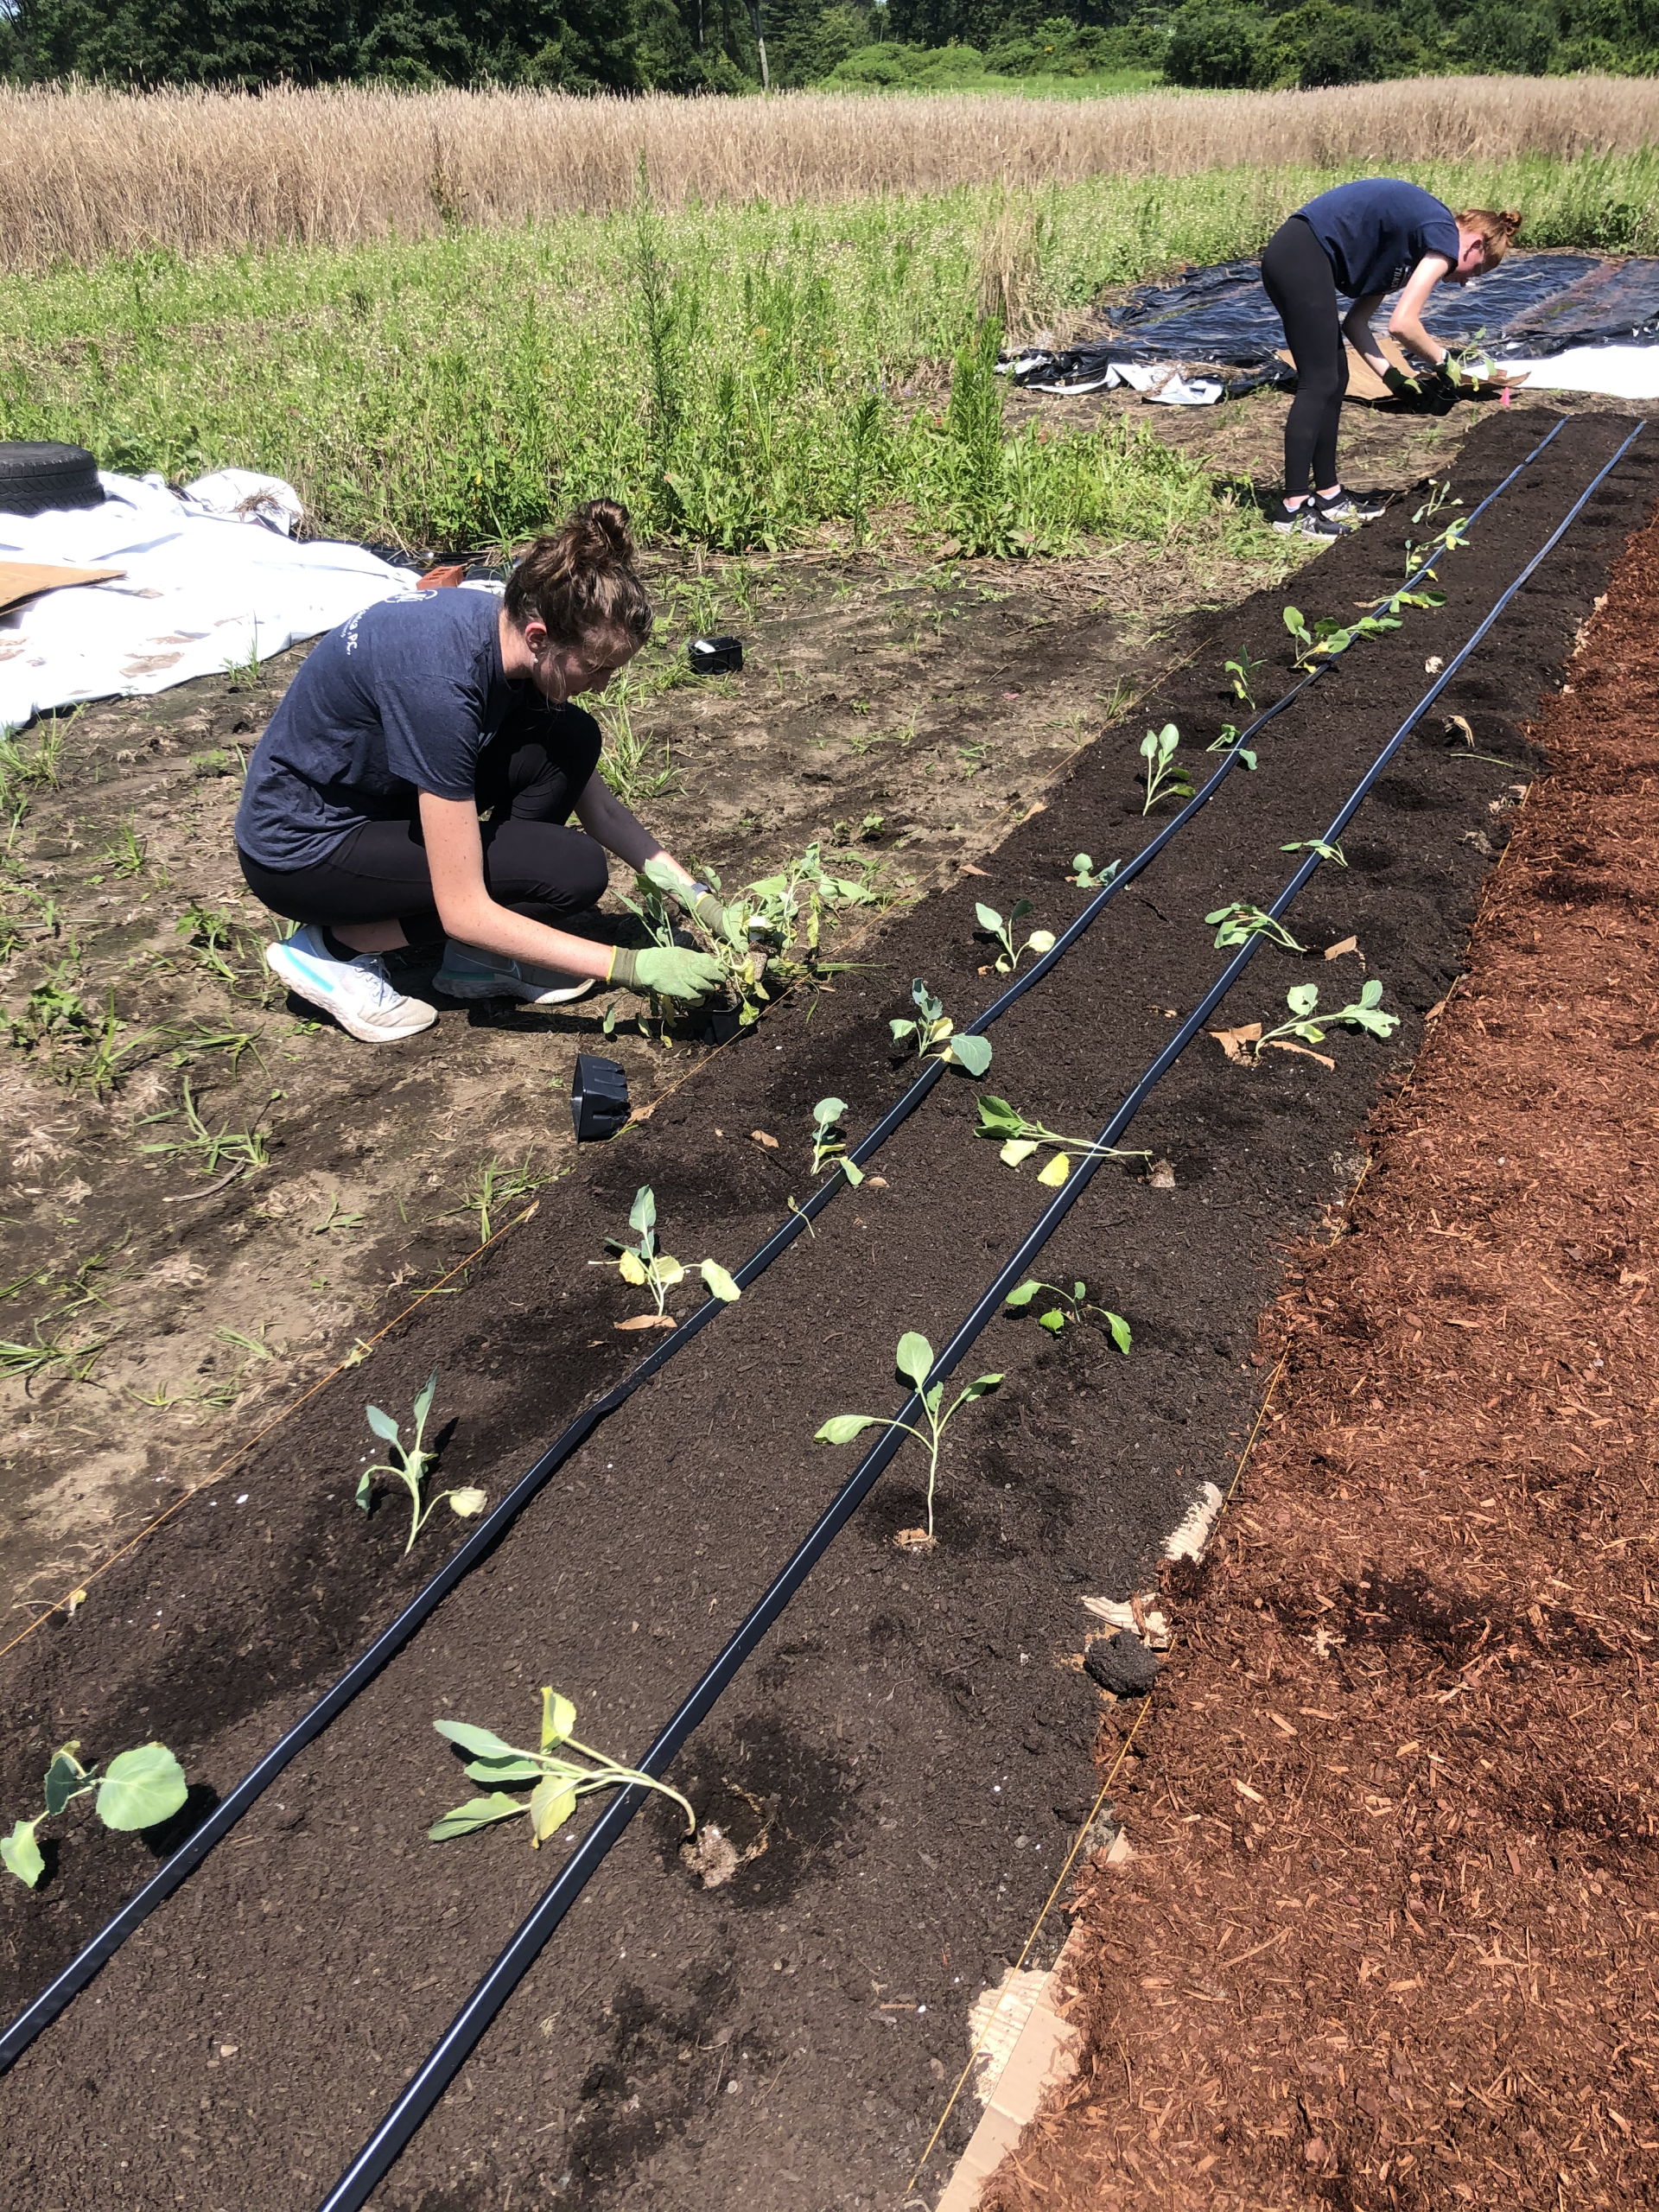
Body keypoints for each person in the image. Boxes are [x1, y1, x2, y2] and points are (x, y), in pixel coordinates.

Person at [235, 499, 728, 1044]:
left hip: (376, 797)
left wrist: (699, 899)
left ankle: (474, 962)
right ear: (539, 638)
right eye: (598, 668)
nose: (606, 684)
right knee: (573, 871)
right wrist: (627, 967)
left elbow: (602, 809)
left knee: (571, 737)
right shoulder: (441, 687)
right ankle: (335, 950)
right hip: (305, 849)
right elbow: (464, 907)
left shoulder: (501, 626)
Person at [1259, 181, 1522, 542]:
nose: (1465, 283)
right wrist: (1448, 364)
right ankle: (1291, 509)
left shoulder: (1413, 242)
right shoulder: (1442, 233)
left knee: (1335, 378)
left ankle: (1329, 496)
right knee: (1318, 382)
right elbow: (1403, 324)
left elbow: (1356, 323)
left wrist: (1397, 380)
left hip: (1300, 255)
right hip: (1301, 253)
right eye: (1477, 271)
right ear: (1475, 243)